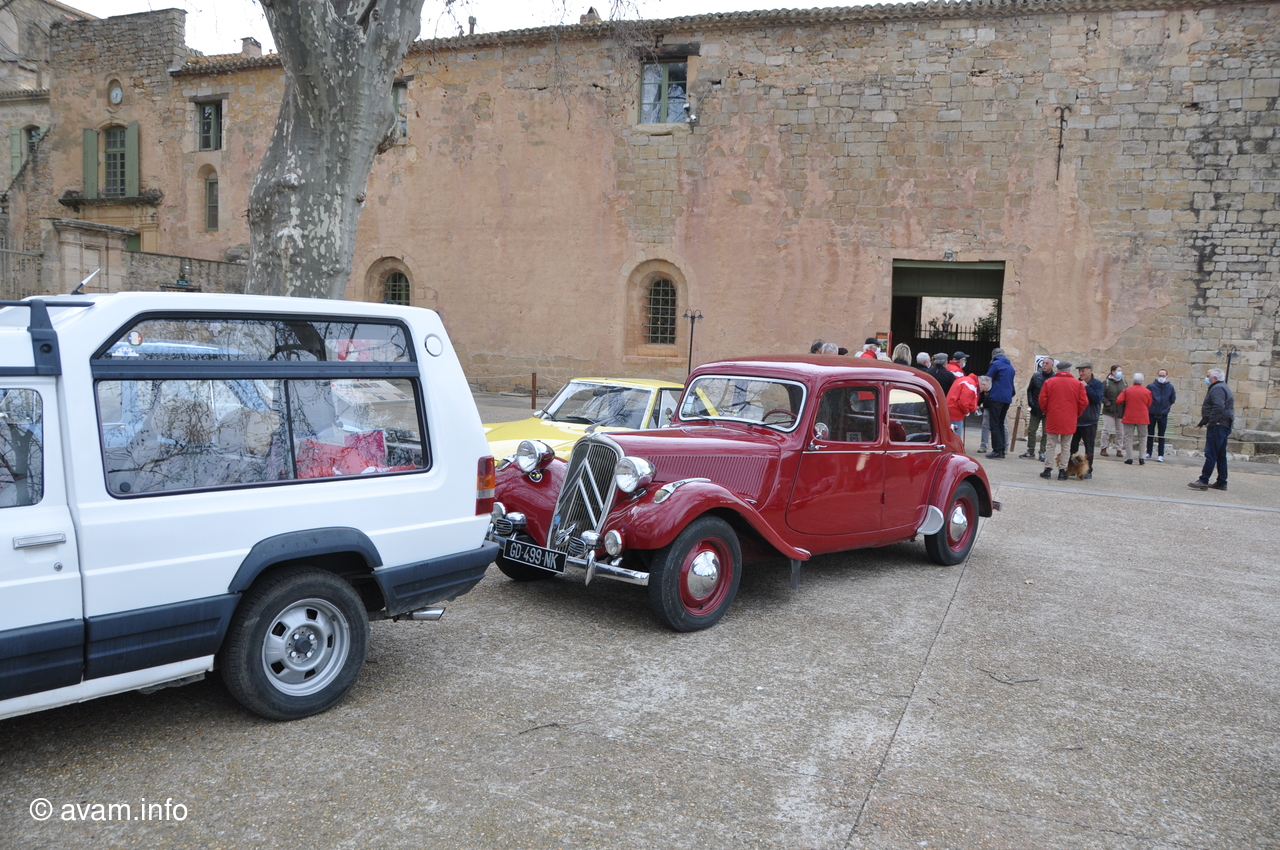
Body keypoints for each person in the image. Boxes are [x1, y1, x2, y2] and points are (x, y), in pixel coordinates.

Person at [1036, 360, 1087, 480]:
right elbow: (1083, 402)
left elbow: (1042, 399)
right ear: (1069, 370)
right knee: (1066, 446)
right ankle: (1063, 471)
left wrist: (1047, 411)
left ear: (1058, 369)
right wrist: (1076, 413)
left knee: (1050, 444)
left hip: (1053, 416)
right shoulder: (1077, 384)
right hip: (1069, 418)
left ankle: (1048, 469)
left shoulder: (1049, 382)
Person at [1188, 368, 1234, 491]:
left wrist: (1212, 421)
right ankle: (1222, 481)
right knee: (1220, 455)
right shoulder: (1222, 387)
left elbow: (1218, 406)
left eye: (1208, 376)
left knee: (1211, 453)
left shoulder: (1217, 388)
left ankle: (1204, 480)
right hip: (1224, 424)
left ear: (1214, 378)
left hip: (1218, 425)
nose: (1206, 378)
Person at [1070, 362, 1105, 479]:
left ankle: (1088, 470)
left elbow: (1097, 398)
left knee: (1089, 448)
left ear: (1091, 371)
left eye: (1083, 371)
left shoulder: (1097, 384)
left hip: (1090, 421)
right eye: (1079, 371)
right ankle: (1072, 468)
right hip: (1076, 421)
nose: (1081, 373)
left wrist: (1086, 387)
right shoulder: (1076, 383)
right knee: (1072, 447)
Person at [1019, 356, 1055, 461]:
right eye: (1043, 363)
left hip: (1048, 410)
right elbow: (1030, 390)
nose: (1044, 365)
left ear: (1052, 365)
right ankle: (1030, 450)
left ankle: (1042, 452)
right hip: (1036, 407)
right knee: (1031, 430)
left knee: (1046, 432)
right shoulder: (1036, 376)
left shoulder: (1054, 378)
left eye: (1047, 363)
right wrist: (1031, 402)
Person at [984, 347, 1016, 459]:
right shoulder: (1010, 366)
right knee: (1001, 423)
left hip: (996, 396)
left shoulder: (995, 364)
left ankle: (997, 450)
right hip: (1007, 398)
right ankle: (1001, 449)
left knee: (994, 423)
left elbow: (988, 379)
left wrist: (986, 392)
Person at [1117, 373, 1153, 466]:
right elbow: (1149, 403)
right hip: (1143, 417)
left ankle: (1129, 458)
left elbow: (1118, 400)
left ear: (1133, 380)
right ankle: (1141, 458)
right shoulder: (1147, 391)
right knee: (1143, 437)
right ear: (1142, 381)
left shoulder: (1127, 390)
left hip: (1129, 416)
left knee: (1128, 438)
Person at [1146, 368, 1176, 461]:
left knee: (1161, 435)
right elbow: (1147, 398)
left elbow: (1172, 399)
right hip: (1152, 413)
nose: (1161, 377)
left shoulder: (1170, 387)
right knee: (1150, 434)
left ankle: (1160, 454)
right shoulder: (1151, 386)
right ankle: (1148, 452)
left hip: (1163, 415)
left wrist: (1166, 407)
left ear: (1167, 376)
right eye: (1160, 376)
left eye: (1163, 376)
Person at [947, 373, 986, 440]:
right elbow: (963, 402)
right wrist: (966, 411)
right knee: (956, 438)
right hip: (956, 413)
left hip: (951, 409)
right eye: (983, 390)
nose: (981, 391)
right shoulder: (971, 385)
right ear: (983, 384)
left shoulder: (965, 380)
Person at [1099, 364, 1127, 457]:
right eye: (1118, 370)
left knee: (1120, 432)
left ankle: (1119, 449)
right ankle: (1103, 448)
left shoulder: (1124, 382)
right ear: (1113, 372)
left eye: (1120, 371)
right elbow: (1101, 395)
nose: (1120, 372)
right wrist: (1107, 403)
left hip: (1120, 410)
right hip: (1109, 410)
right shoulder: (1106, 382)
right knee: (1106, 430)